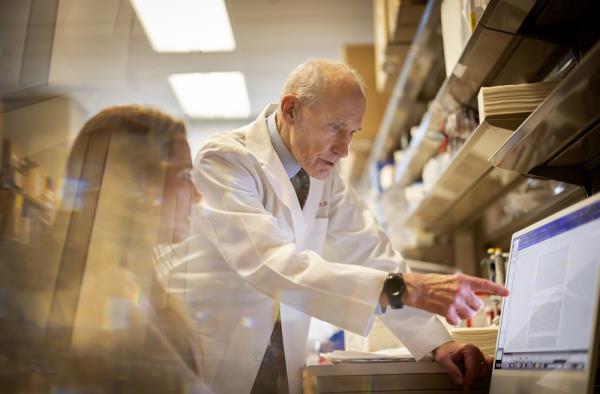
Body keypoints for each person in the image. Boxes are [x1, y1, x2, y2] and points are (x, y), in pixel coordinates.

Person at [164, 59, 509, 394]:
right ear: (290, 110)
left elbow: (371, 252)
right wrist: (403, 288)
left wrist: (438, 342)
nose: (344, 149)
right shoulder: (225, 160)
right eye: (335, 128)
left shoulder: (321, 173)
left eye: (352, 132)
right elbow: (268, 263)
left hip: (282, 362)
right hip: (220, 361)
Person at [0, 105, 207, 393]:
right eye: (185, 176)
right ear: (137, 184)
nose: (196, 196)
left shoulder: (134, 280)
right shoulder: (108, 290)